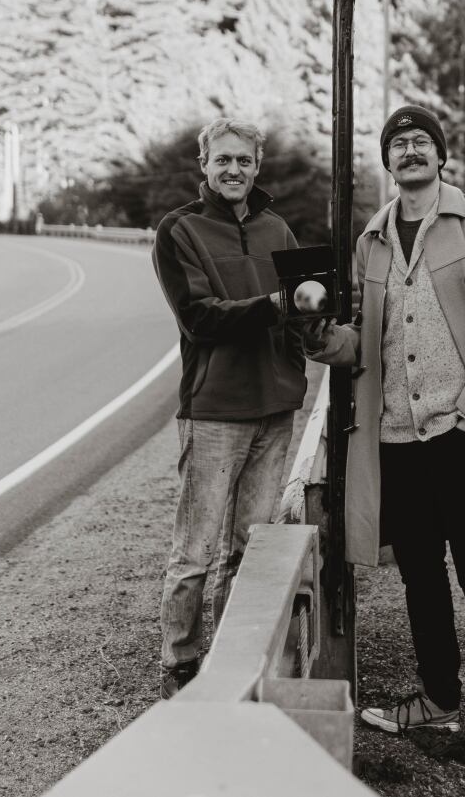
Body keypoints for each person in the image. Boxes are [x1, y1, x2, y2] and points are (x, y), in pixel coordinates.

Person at [304, 105, 465, 783]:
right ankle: (441, 700)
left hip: (462, 433)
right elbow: (365, 338)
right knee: (420, 577)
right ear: (387, 161)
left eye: (421, 141)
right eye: (398, 143)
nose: (409, 150)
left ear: (441, 156)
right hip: (397, 439)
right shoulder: (373, 239)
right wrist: (321, 338)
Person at [152, 116, 306, 699]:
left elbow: (302, 311)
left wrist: (301, 355)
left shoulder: (278, 229)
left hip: (275, 409)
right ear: (204, 165)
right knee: (194, 551)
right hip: (215, 411)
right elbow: (199, 317)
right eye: (224, 160)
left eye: (244, 160)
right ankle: (180, 661)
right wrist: (271, 304)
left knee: (250, 548)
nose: (234, 169)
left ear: (257, 166)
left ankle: (232, 658)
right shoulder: (179, 230)